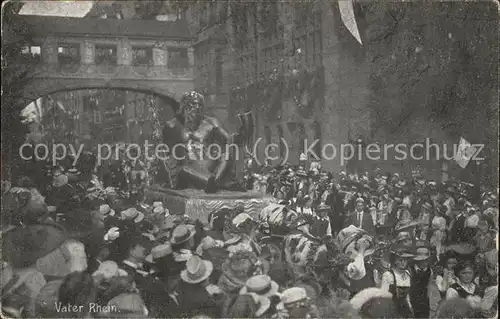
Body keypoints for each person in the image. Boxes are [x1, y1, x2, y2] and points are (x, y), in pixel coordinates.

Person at [380, 245, 414, 318]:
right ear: (395, 261)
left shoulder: (408, 274)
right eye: (400, 260)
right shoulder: (388, 275)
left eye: (405, 260)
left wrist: (410, 307)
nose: (403, 263)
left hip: (405, 310)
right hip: (392, 310)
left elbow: (407, 296)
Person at [409, 245, 432, 319]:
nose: (423, 262)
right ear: (416, 260)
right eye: (421, 260)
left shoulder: (429, 271)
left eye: (426, 260)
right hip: (412, 301)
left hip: (424, 303)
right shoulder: (409, 270)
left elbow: (428, 286)